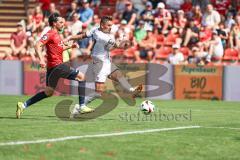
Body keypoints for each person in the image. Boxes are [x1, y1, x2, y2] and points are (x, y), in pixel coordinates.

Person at [16, 13, 92, 119]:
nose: (63, 24)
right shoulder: (50, 33)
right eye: (61, 22)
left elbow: (58, 49)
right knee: (82, 77)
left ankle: (23, 105)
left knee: (48, 92)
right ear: (54, 23)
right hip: (58, 65)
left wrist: (71, 45)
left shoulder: (56, 35)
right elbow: (37, 45)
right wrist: (41, 60)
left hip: (52, 68)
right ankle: (82, 106)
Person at [66, 16, 142, 115]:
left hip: (106, 61)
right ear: (102, 25)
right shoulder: (102, 36)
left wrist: (71, 37)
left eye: (111, 25)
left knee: (119, 76)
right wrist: (123, 38)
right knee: (98, 93)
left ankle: (132, 91)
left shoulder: (95, 29)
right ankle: (80, 106)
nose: (110, 27)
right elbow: (117, 46)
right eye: (109, 25)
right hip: (99, 64)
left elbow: (83, 35)